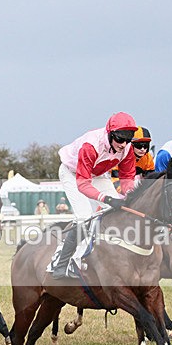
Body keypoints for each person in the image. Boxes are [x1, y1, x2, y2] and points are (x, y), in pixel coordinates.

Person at [53, 112, 137, 279]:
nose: (124, 144)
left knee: (117, 212)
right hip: (72, 173)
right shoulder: (91, 146)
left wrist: (129, 196)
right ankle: (61, 262)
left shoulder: (127, 149)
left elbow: (127, 178)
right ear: (111, 134)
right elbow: (83, 184)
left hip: (97, 175)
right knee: (85, 218)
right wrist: (106, 198)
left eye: (128, 140)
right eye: (120, 139)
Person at [111, 126, 154, 191]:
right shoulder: (119, 156)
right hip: (110, 181)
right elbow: (115, 181)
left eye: (145, 146)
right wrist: (127, 194)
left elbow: (150, 181)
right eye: (139, 146)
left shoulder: (148, 158)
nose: (142, 149)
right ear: (131, 145)